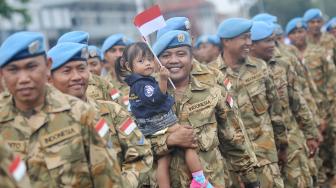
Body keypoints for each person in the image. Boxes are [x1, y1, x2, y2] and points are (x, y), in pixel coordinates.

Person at [0, 31, 124, 187]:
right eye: (13, 70)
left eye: (31, 67)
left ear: (47, 67)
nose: (24, 79)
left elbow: (108, 180)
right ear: (2, 74)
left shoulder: (81, 113)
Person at [47, 41, 153, 188]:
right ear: (50, 79)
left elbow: (141, 154)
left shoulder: (112, 112)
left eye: (81, 69)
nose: (77, 76)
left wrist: (122, 185)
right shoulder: (43, 124)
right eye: (67, 71)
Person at [210, 18, 288, 187]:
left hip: (264, 156)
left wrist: (283, 145)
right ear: (227, 41)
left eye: (249, 37)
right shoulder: (210, 75)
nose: (248, 43)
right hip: (233, 165)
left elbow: (275, 111)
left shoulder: (260, 67)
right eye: (243, 38)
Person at [250, 21, 319, 187]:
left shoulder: (282, 64)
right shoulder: (244, 74)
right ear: (252, 45)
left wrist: (311, 133)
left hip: (291, 140)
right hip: (261, 149)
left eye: (274, 40)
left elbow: (297, 102)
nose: (273, 45)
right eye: (267, 41)